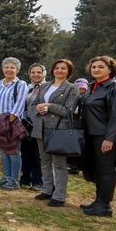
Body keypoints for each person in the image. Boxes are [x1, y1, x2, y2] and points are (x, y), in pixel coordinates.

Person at [79, 56, 116, 217]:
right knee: (98, 169)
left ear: (110, 69)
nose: (96, 69)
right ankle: (98, 200)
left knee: (106, 170)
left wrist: (110, 138)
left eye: (101, 67)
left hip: (105, 136)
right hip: (91, 134)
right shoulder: (93, 86)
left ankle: (105, 206)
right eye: (93, 67)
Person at [30, 59, 78, 207]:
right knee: (44, 161)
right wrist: (37, 108)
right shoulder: (44, 86)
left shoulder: (71, 88)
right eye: (57, 68)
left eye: (63, 68)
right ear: (52, 70)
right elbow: (33, 104)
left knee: (59, 164)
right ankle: (47, 189)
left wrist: (49, 106)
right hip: (41, 127)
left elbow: (68, 111)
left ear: (68, 71)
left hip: (58, 129)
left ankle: (59, 196)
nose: (59, 71)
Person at [0, 57, 29, 190]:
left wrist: (9, 120)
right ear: (2, 69)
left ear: (17, 70)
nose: (9, 70)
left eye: (12, 67)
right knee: (2, 152)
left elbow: (20, 102)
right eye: (6, 67)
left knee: (13, 152)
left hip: (11, 124)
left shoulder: (20, 84)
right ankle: (6, 177)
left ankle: (14, 180)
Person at [20, 63, 46, 190]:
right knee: (25, 152)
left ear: (44, 74)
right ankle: (25, 178)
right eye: (33, 72)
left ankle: (38, 182)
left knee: (37, 155)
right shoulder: (27, 87)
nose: (36, 74)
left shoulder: (47, 87)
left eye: (39, 72)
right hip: (26, 125)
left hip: (40, 125)